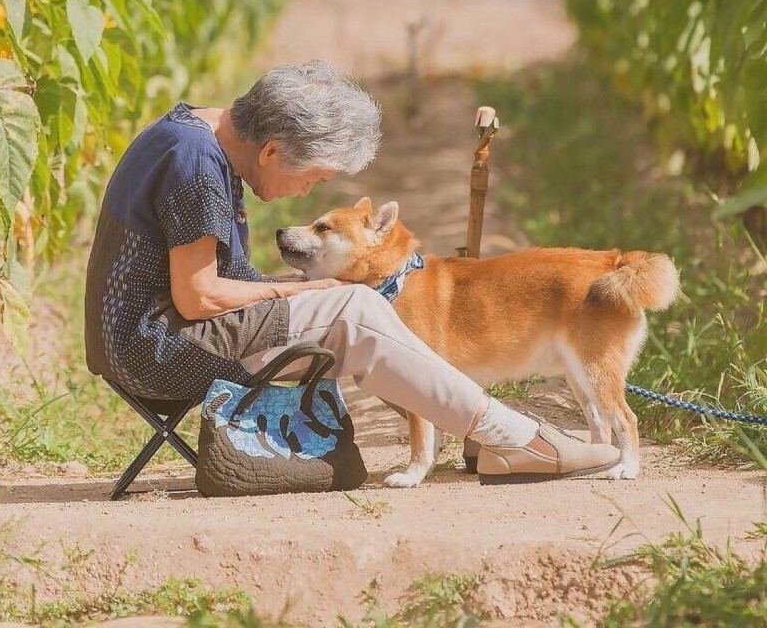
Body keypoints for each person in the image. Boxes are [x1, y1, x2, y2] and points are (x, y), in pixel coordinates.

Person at [84, 60, 620, 481]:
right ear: (272, 150)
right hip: (156, 351)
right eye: (314, 179)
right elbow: (198, 298)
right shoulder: (197, 166)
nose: (309, 191)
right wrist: (311, 289)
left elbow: (214, 286)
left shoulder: (193, 138)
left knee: (344, 303)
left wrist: (297, 291)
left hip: (149, 337)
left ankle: (498, 434)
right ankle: (512, 438)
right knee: (358, 307)